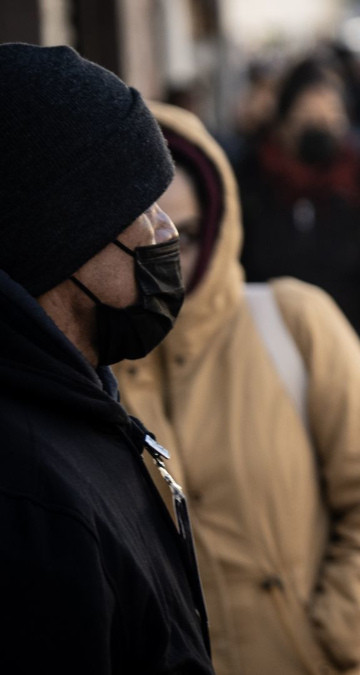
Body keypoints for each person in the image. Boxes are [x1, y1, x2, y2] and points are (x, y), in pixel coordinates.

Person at [114, 102, 360, 675]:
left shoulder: (294, 320)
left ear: (220, 216)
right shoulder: (93, 373)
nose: (171, 260)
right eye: (146, 241)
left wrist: (330, 637)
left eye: (191, 234)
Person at [0, 44, 212, 673]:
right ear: (62, 237)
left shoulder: (80, 404)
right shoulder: (29, 493)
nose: (166, 231)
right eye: (140, 209)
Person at [236, 56, 360, 384]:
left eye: (331, 115)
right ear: (284, 119)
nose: (320, 124)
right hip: (265, 356)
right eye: (307, 114)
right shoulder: (251, 179)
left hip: (350, 351)